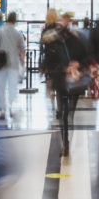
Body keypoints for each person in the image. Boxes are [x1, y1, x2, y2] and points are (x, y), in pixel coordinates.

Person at [38, 10, 89, 161]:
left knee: (70, 112)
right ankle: (65, 141)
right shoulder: (53, 38)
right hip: (60, 78)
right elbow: (48, 55)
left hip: (75, 80)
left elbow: (86, 56)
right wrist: (46, 67)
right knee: (64, 113)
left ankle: (66, 137)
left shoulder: (76, 39)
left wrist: (78, 65)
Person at [0, 9, 27, 127]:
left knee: (0, 87)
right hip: (13, 64)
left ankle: (2, 110)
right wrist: (23, 62)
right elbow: (22, 51)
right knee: (12, 87)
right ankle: (10, 107)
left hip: (0, 63)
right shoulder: (17, 33)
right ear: (15, 21)